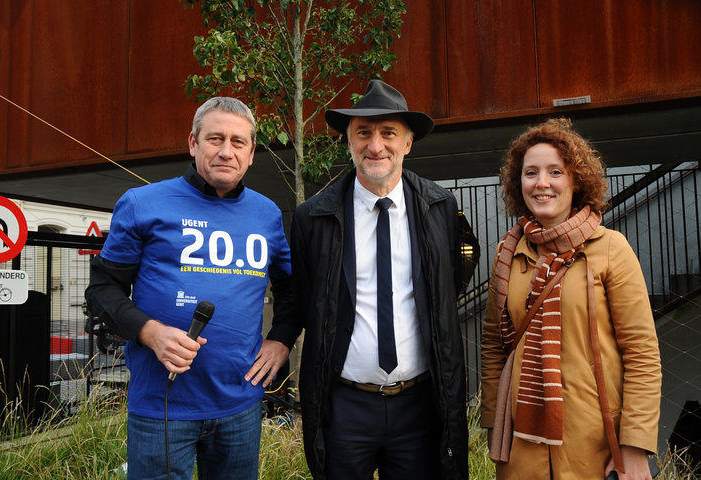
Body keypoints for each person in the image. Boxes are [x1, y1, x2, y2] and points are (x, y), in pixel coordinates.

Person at [85, 96, 293, 480]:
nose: (226, 151)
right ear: (193, 144)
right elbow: (102, 289)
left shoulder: (267, 214)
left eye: (238, 142)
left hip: (239, 405)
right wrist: (150, 332)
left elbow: (292, 287)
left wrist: (281, 339)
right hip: (161, 408)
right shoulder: (141, 203)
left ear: (251, 155)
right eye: (215, 139)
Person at [271, 79, 470, 479]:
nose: (375, 145)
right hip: (344, 406)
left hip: (418, 405)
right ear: (349, 141)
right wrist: (280, 337)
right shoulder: (314, 217)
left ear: (408, 143)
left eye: (388, 133)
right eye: (363, 132)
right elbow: (303, 295)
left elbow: (451, 282)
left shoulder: (440, 207)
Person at [480, 118, 662, 479]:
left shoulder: (611, 248)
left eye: (555, 172)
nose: (542, 183)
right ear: (519, 183)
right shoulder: (508, 252)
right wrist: (493, 423)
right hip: (520, 447)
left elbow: (641, 352)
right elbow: (493, 345)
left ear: (576, 180)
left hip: (595, 448)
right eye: (530, 173)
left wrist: (635, 444)